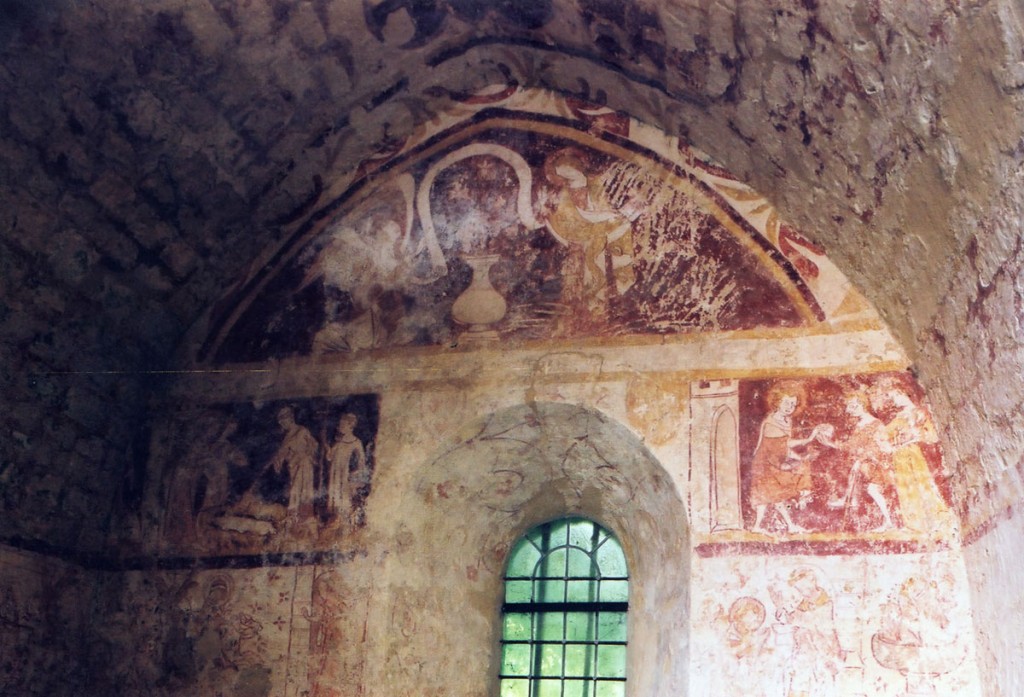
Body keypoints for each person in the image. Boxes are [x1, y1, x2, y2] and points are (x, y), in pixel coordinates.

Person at [872, 385, 956, 536]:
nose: (895, 400)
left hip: (915, 454)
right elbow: (886, 441)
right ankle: (915, 524)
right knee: (906, 489)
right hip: (900, 457)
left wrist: (912, 438)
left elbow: (931, 436)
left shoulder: (918, 414)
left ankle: (936, 520)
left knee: (923, 484)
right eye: (892, 398)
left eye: (897, 395)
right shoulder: (896, 421)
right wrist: (886, 440)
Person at [749, 387, 829, 534]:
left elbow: (785, 446)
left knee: (775, 496)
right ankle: (762, 526)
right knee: (768, 495)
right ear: (777, 402)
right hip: (766, 462)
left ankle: (780, 526)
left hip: (776, 460)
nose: (790, 407)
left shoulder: (787, 420)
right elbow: (781, 446)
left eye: (793, 404)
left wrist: (801, 456)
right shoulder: (771, 423)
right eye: (786, 403)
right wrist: (808, 441)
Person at [827, 392, 897, 532]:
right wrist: (832, 443)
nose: (851, 410)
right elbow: (851, 446)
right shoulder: (860, 425)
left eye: (854, 406)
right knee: (866, 484)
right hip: (865, 464)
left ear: (863, 405)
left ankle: (888, 521)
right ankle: (851, 499)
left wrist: (862, 459)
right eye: (850, 407)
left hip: (877, 464)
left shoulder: (876, 424)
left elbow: (879, 448)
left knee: (872, 488)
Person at [270, 406, 319, 520]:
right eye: (279, 420)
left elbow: (314, 445)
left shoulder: (302, 431)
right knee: (294, 491)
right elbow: (282, 453)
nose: (281, 423)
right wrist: (278, 460)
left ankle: (304, 518)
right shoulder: (287, 436)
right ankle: (294, 519)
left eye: (283, 419)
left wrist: (306, 455)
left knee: (303, 491)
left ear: (291, 418)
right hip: (293, 466)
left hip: (304, 466)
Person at [326, 413, 365, 521]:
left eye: (343, 425)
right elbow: (330, 457)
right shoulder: (339, 442)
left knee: (345, 496)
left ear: (350, 426)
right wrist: (327, 448)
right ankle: (336, 518)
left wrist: (355, 473)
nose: (340, 427)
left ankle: (345, 519)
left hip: (346, 473)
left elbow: (361, 461)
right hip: (335, 472)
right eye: (340, 425)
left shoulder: (356, 442)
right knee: (335, 493)